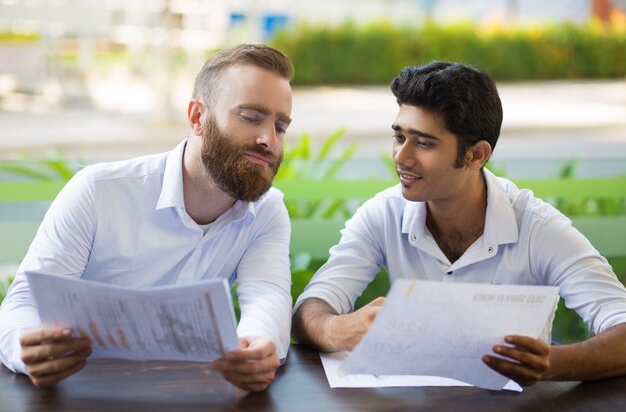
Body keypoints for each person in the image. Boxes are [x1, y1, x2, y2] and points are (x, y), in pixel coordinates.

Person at [292, 61, 626, 386]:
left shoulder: (538, 228)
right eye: (399, 137)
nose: (401, 157)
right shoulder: (383, 213)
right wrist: (337, 329)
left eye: (423, 143)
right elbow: (312, 307)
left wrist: (550, 364)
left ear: (476, 155)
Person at [0, 44, 294, 392]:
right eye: (251, 117)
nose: (268, 140)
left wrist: (258, 346)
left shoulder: (267, 210)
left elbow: (267, 296)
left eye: (280, 126)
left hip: (190, 392)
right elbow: (24, 300)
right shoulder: (98, 191)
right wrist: (26, 348)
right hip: (84, 389)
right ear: (198, 118)